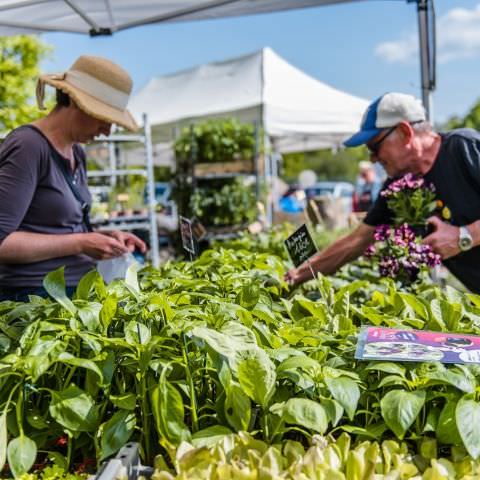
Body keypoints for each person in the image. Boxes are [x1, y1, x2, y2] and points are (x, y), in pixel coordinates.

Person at [285, 92, 480, 293]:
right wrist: (296, 276)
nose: (372, 159)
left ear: (405, 132)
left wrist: (464, 236)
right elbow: (356, 241)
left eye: (374, 147)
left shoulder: (465, 148)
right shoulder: (399, 186)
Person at [0, 55, 146, 301]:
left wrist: (105, 239)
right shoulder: (29, 146)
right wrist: (80, 243)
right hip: (34, 299)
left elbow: (61, 227)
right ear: (76, 103)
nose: (107, 131)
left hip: (76, 292)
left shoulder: (76, 152)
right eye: (104, 119)